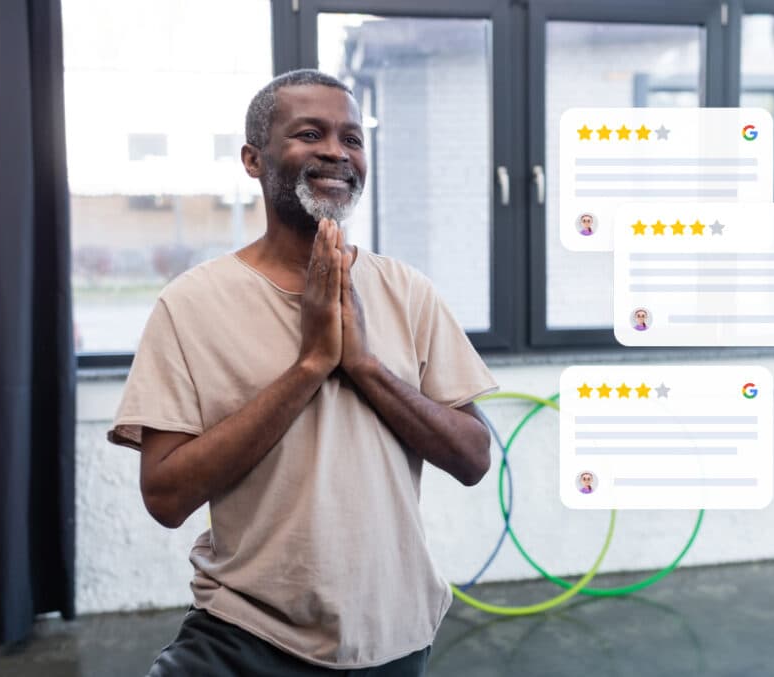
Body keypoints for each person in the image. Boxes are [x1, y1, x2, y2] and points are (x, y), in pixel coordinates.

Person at [107, 69, 498, 676]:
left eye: (353, 138)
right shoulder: (190, 304)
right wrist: (311, 365)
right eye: (309, 133)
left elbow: (473, 458)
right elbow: (165, 495)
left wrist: (363, 365)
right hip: (244, 637)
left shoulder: (408, 292)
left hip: (392, 637)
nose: (337, 152)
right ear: (253, 159)